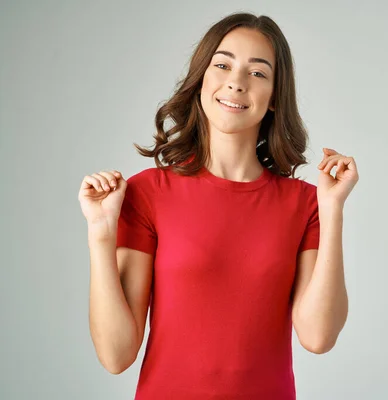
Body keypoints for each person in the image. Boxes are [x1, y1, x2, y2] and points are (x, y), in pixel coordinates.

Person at [78, 12, 359, 399]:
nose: (236, 82)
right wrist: (100, 235)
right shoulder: (146, 194)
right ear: (201, 81)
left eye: (257, 73)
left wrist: (333, 209)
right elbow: (115, 355)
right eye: (223, 65)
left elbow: (318, 336)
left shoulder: (306, 203)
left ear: (276, 96)